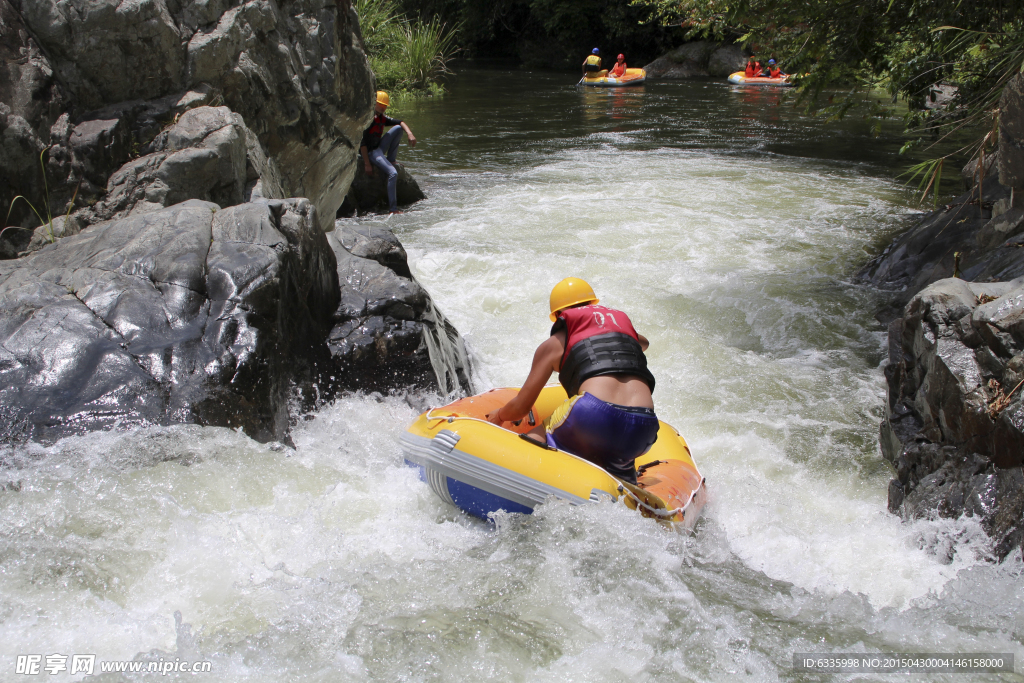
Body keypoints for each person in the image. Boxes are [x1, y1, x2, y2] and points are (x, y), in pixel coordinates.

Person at [486, 277, 659, 484]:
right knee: (620, 466)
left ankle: (518, 486)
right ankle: (624, 487)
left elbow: (521, 408)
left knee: (536, 437)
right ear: (593, 305)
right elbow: (644, 343)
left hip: (593, 415)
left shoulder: (553, 345)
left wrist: (500, 414)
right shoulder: (625, 331)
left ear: (559, 315)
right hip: (644, 428)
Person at [360, 90, 417, 214]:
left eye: (385, 106)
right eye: (380, 105)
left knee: (398, 128)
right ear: (374, 104)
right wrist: (367, 164)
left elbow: (400, 122)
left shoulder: (382, 118)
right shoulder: (368, 120)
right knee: (393, 173)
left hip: (379, 147)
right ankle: (393, 209)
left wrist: (410, 133)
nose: (383, 108)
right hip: (371, 153)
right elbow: (362, 144)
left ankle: (391, 159)